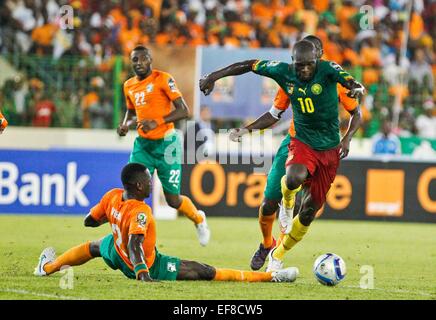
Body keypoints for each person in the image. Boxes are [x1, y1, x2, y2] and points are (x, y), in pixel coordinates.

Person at [200, 40, 364, 271]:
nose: (305, 69)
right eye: (300, 64)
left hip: (328, 149)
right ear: (294, 61)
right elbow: (274, 113)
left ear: (319, 57)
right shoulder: (286, 78)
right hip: (298, 143)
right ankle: (268, 241)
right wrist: (246, 128)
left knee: (310, 209)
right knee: (270, 201)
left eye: (312, 61)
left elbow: (352, 94)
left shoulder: (332, 77)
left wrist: (347, 137)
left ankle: (279, 253)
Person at [34, 163, 298, 283]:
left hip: (115, 250)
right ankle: (272, 277)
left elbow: (89, 222)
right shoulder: (141, 211)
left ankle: (47, 268)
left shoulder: (112, 196)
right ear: (139, 186)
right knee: (203, 271)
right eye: (149, 179)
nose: (152, 182)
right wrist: (142, 273)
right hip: (146, 264)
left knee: (92, 247)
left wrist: (106, 216)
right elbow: (136, 243)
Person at [117, 45, 210, 246]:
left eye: (143, 59)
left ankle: (199, 219)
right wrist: (126, 124)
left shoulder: (163, 79)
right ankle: (130, 238)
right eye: (135, 60)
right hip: (143, 146)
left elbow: (183, 110)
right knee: (132, 192)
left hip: (168, 145)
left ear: (150, 60)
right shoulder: (129, 85)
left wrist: (156, 121)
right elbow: (132, 111)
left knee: (173, 200)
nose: (139, 63)